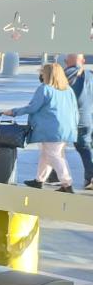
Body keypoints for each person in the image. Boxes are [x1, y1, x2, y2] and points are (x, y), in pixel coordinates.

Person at [5, 62, 79, 193]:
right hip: (66, 129)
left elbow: (32, 107)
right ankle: (39, 181)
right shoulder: (68, 90)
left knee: (54, 155)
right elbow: (75, 111)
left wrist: (13, 112)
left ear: (48, 75)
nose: (41, 75)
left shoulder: (44, 89)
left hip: (51, 130)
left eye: (42, 73)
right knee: (47, 154)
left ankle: (67, 184)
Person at [64, 54, 92, 189]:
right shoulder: (90, 75)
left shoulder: (66, 74)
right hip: (90, 117)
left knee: (83, 147)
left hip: (77, 119)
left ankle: (91, 177)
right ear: (83, 61)